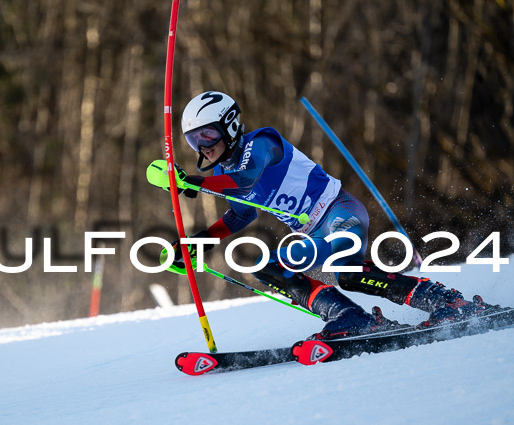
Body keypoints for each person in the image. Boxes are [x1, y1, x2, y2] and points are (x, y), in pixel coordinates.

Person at [154, 91, 486, 337]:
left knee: (318, 267)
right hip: (315, 232)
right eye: (193, 139)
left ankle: (433, 304)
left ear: (229, 125)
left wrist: (197, 182)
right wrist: (198, 243)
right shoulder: (227, 170)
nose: (202, 146)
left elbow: (247, 178)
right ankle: (370, 314)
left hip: (340, 213)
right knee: (301, 270)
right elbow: (241, 215)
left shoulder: (261, 142)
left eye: (207, 134)